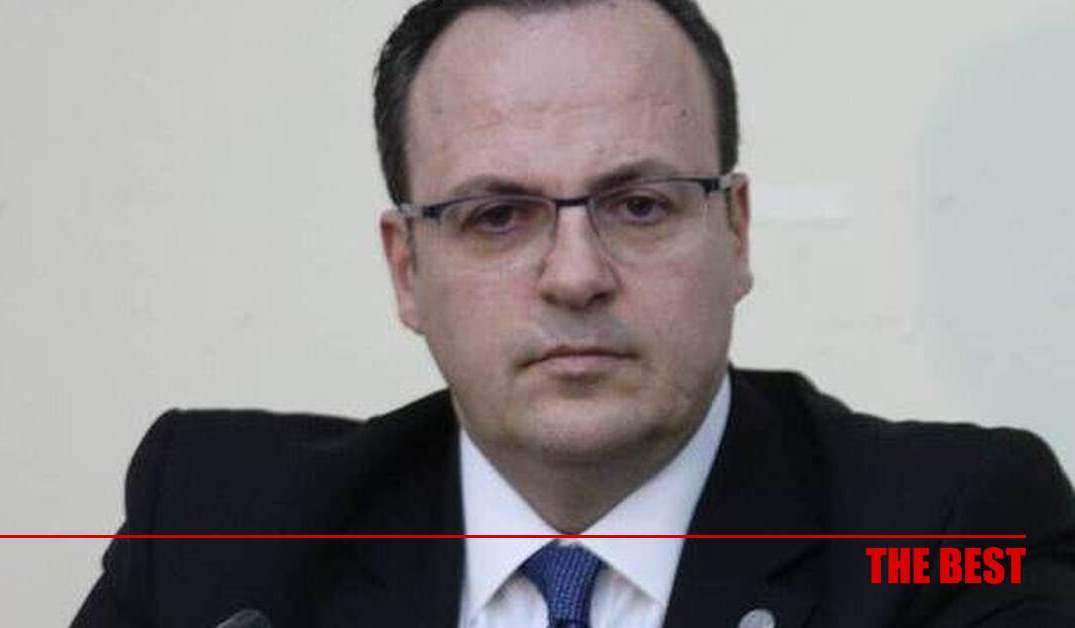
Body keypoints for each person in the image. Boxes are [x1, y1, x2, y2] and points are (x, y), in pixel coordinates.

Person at [72, 0, 1075, 626]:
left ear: (734, 234)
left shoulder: (951, 525)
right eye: (496, 216)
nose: (575, 276)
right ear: (406, 269)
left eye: (638, 206)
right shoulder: (216, 527)